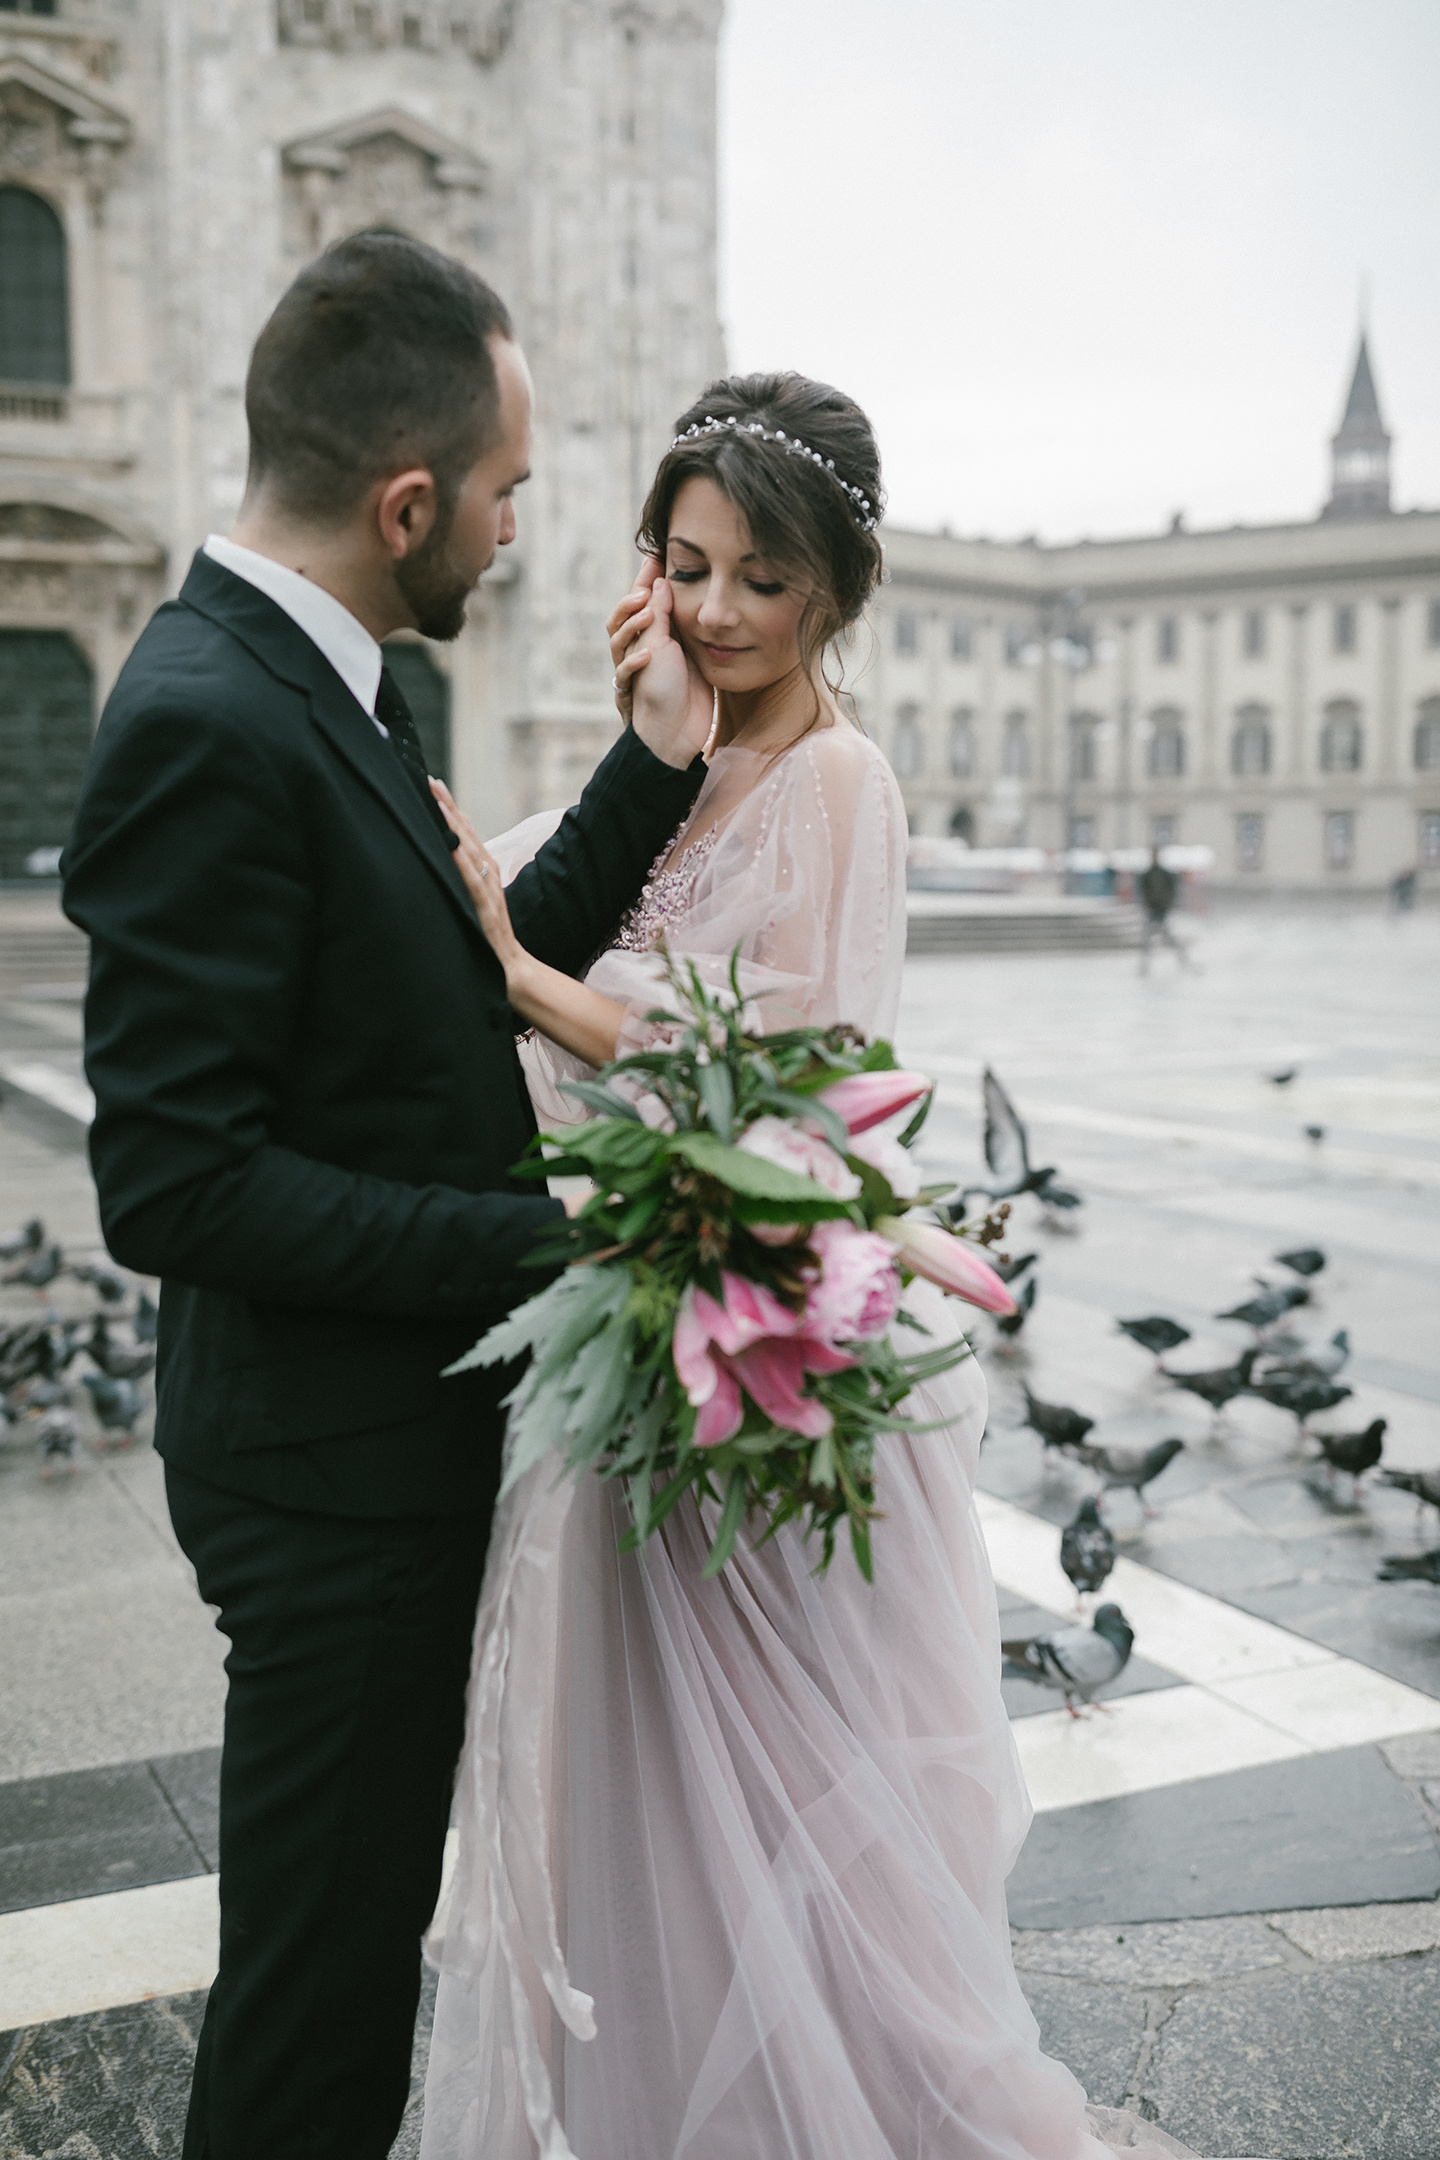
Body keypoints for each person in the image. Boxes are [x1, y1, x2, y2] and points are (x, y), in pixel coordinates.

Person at [419, 374, 1201, 2160]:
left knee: (772, 1819)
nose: (709, 609)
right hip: (635, 1345)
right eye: (680, 563)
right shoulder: (674, 746)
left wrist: (532, 986)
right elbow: (498, 900)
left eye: (756, 580)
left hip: (757, 1361)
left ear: (832, 596)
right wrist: (633, 749)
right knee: (637, 1819)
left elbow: (783, 1083)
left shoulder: (842, 781)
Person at [60, 231, 711, 2160]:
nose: (518, 535)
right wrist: (564, 1240)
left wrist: (653, 767)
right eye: (506, 495)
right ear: (406, 498)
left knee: (342, 1975)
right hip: (326, 1494)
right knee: (316, 2016)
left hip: (381, 1458)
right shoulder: (205, 717)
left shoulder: (328, 683)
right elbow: (174, 1184)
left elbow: (460, 977)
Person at [1137, 846, 1194, 974]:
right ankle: (1144, 966)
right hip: (1152, 909)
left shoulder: (1164, 873)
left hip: (1161, 909)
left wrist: (1168, 903)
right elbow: (1143, 890)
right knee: (1148, 938)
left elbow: (1172, 888)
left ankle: (1182, 958)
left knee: (1165, 937)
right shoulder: (1148, 874)